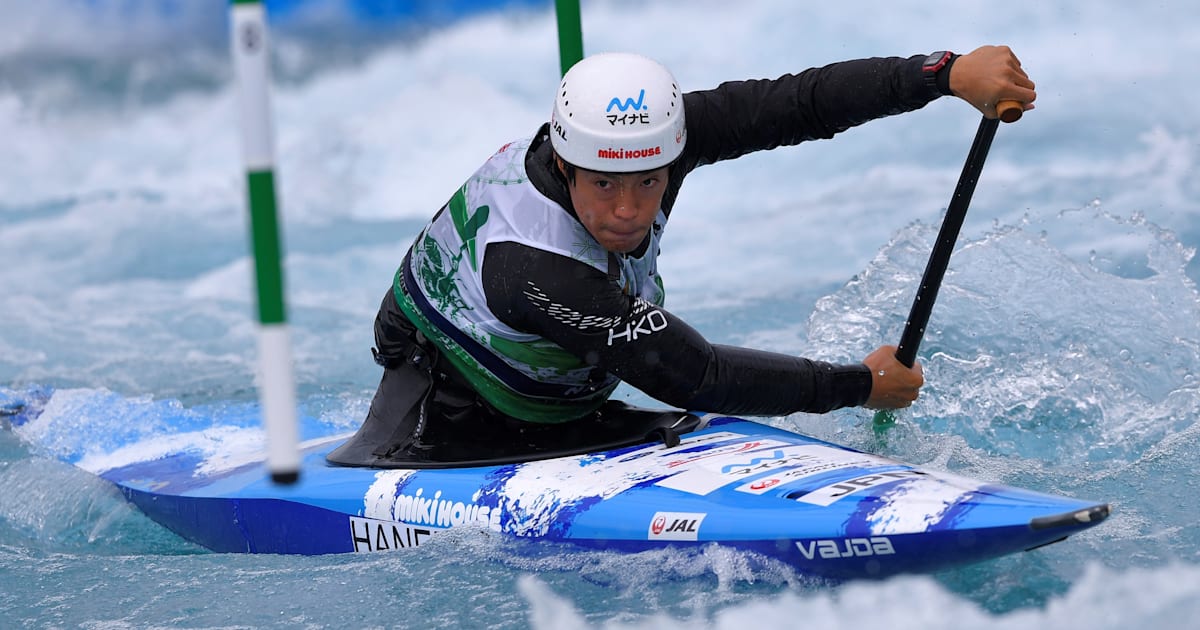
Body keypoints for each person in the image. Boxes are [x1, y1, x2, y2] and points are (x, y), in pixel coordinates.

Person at [328, 45, 1037, 466]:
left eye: (649, 183)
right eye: (605, 187)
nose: (631, 210)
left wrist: (941, 74)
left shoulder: (657, 138)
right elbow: (691, 373)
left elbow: (798, 104)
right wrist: (857, 385)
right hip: (441, 429)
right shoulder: (532, 267)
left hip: (552, 393)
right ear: (567, 165)